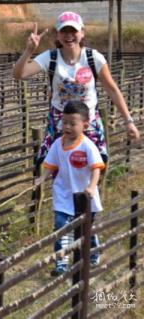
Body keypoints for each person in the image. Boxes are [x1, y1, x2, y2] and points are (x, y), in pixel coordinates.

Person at [13, 11, 140, 165]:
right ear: (57, 35)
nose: (69, 36)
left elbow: (112, 90)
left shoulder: (94, 58)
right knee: (59, 168)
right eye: (64, 31)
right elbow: (19, 74)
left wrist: (128, 121)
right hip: (60, 121)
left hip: (88, 121)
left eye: (73, 31)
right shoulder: (50, 57)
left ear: (82, 33)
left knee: (92, 168)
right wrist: (29, 50)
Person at [35, 101, 104, 276]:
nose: (67, 127)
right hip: (63, 192)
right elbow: (51, 165)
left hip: (84, 194)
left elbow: (96, 168)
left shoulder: (88, 145)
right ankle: (61, 262)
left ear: (85, 125)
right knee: (60, 226)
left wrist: (91, 186)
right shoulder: (58, 144)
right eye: (65, 122)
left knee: (86, 226)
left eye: (73, 124)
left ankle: (93, 252)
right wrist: (41, 179)